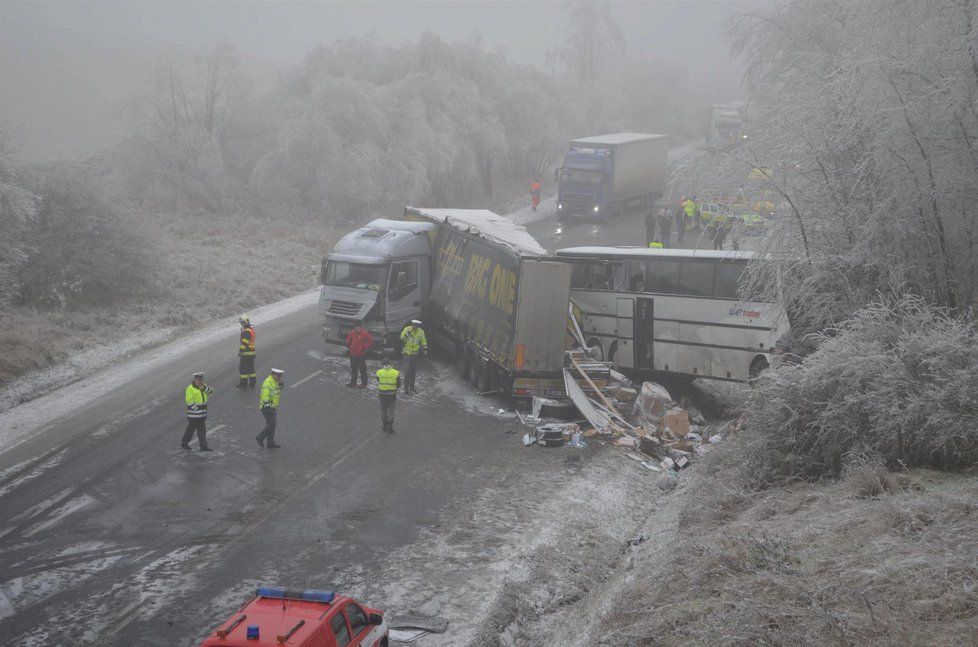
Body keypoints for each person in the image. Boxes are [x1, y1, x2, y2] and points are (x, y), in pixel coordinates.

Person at [182, 371, 214, 451]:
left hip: (202, 414)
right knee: (190, 431)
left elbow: (211, 391)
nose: (201, 381)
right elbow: (189, 400)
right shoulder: (190, 388)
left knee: (202, 431)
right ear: (195, 379)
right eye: (199, 379)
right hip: (194, 415)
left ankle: (203, 446)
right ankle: (184, 443)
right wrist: (196, 409)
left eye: (201, 379)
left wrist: (204, 388)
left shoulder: (203, 386)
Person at [256, 368, 284, 448]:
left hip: (272, 406)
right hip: (267, 407)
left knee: (271, 425)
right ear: (274, 375)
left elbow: (278, 390)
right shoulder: (268, 383)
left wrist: (281, 383)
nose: (280, 378)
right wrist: (268, 406)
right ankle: (260, 437)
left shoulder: (274, 381)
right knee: (272, 424)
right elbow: (265, 396)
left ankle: (270, 443)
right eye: (279, 376)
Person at [399, 319, 427, 394]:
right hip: (407, 353)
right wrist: (406, 334)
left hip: (415, 353)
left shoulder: (421, 332)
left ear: (418, 326)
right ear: (411, 325)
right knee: (407, 370)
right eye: (413, 325)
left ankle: (412, 388)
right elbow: (401, 337)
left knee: (413, 371)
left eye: (416, 325)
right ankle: (406, 389)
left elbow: (423, 340)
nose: (414, 327)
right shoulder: (407, 329)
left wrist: (424, 347)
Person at [345, 322, 374, 388]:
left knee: (362, 370)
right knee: (353, 369)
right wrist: (347, 343)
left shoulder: (364, 333)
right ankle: (353, 383)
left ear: (361, 327)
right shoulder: (352, 332)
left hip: (361, 355)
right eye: (356, 327)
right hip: (353, 354)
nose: (357, 328)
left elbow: (370, 340)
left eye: (359, 327)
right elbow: (348, 339)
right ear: (354, 328)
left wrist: (365, 347)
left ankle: (364, 383)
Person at [376, 356, 401, 433]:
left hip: (382, 394)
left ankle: (384, 424)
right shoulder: (395, 372)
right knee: (391, 409)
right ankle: (390, 425)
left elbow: (378, 380)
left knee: (383, 409)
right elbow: (399, 384)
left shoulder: (379, 372)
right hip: (392, 394)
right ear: (390, 363)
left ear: (382, 364)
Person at [237, 315, 257, 388]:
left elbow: (245, 342)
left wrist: (240, 350)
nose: (241, 324)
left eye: (242, 323)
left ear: (245, 322)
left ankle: (243, 384)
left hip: (246, 353)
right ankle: (252, 383)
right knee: (251, 369)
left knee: (243, 369)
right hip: (251, 353)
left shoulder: (246, 331)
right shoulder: (250, 329)